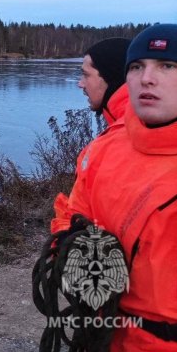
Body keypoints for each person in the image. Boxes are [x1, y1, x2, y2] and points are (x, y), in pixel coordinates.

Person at [54, 24, 177, 352]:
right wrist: (71, 248)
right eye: (137, 67)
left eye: (167, 66)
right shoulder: (105, 149)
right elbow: (71, 216)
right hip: (101, 339)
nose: (146, 78)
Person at [51, 37, 131, 233]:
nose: (80, 84)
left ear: (111, 78)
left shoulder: (114, 146)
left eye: (86, 75)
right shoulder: (129, 128)